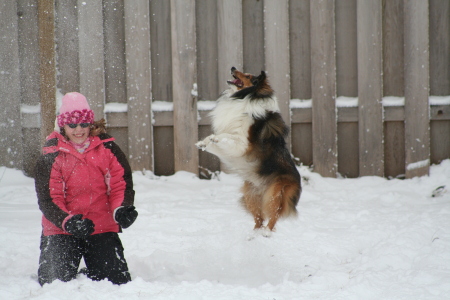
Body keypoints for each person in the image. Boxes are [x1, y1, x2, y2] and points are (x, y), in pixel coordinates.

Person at [34, 92, 138, 286]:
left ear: (91, 123)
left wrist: (121, 209)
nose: (79, 130)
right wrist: (68, 222)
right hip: (61, 229)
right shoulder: (52, 155)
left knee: (116, 282)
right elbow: (49, 198)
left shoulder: (108, 149)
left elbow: (120, 184)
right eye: (72, 125)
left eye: (83, 124)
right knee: (54, 284)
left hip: (100, 225)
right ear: (63, 126)